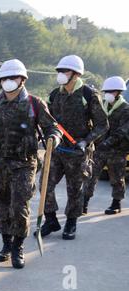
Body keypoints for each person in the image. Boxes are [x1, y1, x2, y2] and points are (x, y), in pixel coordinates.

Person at [0, 59, 62, 269]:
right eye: (5, 78)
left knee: (19, 207)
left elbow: (52, 127)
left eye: (13, 77)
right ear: (0, 81)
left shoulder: (34, 104)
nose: (9, 81)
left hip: (24, 165)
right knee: (3, 207)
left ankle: (18, 247)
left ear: (22, 80)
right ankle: (6, 245)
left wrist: (53, 137)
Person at [38, 55, 108, 240]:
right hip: (57, 149)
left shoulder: (88, 95)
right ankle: (51, 219)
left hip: (78, 151)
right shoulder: (54, 95)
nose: (60, 74)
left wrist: (86, 141)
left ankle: (71, 222)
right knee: (45, 185)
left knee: (74, 189)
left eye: (64, 71)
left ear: (76, 74)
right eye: (59, 71)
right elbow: (48, 122)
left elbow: (102, 125)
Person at [84, 76, 129, 215]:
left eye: (111, 91)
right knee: (91, 176)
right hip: (100, 149)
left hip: (117, 150)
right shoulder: (102, 106)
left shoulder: (126, 109)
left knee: (117, 178)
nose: (108, 94)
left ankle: (116, 204)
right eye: (106, 91)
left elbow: (122, 131)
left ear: (119, 92)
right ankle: (83, 203)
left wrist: (107, 143)